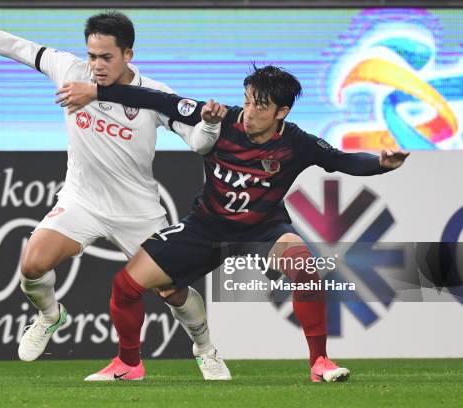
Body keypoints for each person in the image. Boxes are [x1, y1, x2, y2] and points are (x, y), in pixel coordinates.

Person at [0, 7, 231, 381]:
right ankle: (51, 315)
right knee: (33, 264)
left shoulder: (155, 95)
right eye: (92, 55)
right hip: (81, 201)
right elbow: (14, 46)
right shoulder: (69, 71)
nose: (96, 65)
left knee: (173, 292)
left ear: (128, 55)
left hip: (138, 212)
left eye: (106, 57)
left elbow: (198, 143)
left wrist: (210, 126)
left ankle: (205, 349)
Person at [58, 64, 409, 381]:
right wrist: (98, 92)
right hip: (206, 227)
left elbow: (341, 160)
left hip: (263, 229)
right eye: (248, 100)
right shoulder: (220, 118)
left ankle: (320, 363)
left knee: (305, 267)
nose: (249, 112)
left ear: (281, 112)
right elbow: (156, 99)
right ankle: (129, 364)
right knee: (125, 284)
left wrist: (381, 163)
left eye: (261, 106)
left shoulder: (296, 143)